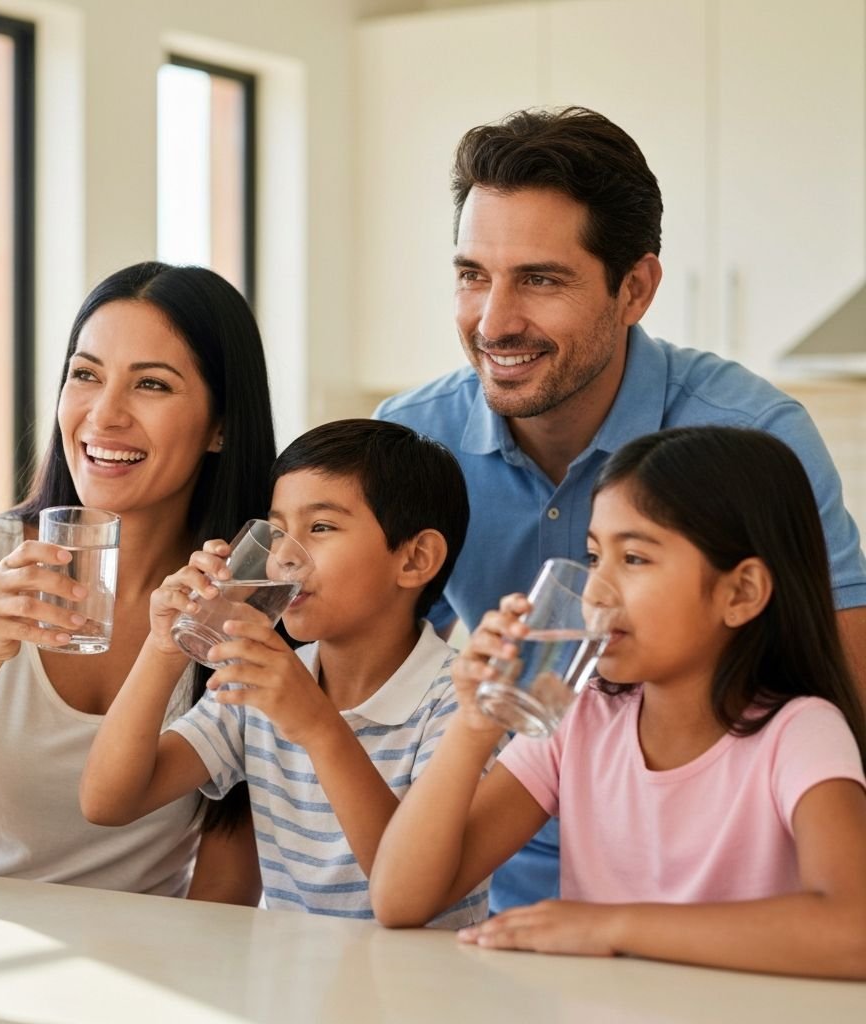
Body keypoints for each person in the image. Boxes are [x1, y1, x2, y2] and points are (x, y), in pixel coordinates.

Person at [373, 105, 866, 912]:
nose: (493, 322)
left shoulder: (754, 441)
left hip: (741, 893)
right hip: (505, 883)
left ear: (634, 288)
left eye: (539, 278)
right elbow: (359, 680)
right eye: (472, 275)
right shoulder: (409, 442)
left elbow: (845, 697)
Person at [0, 261, 274, 902]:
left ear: (221, 426)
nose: (104, 414)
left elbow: (226, 889)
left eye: (151, 384)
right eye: (85, 375)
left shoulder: (238, 601)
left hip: (143, 972)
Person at [371, 426, 866, 979]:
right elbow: (401, 899)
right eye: (592, 555)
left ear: (741, 593)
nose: (595, 591)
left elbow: (854, 931)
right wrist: (473, 724)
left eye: (633, 558)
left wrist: (610, 927)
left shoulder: (799, 733)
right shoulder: (580, 718)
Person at [80, 418, 494, 925]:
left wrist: (318, 727)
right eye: (277, 531)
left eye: (320, 527)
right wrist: (163, 649)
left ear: (415, 559)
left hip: (425, 992)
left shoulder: (463, 702)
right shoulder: (263, 682)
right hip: (293, 987)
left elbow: (412, 891)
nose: (282, 559)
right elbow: (108, 800)